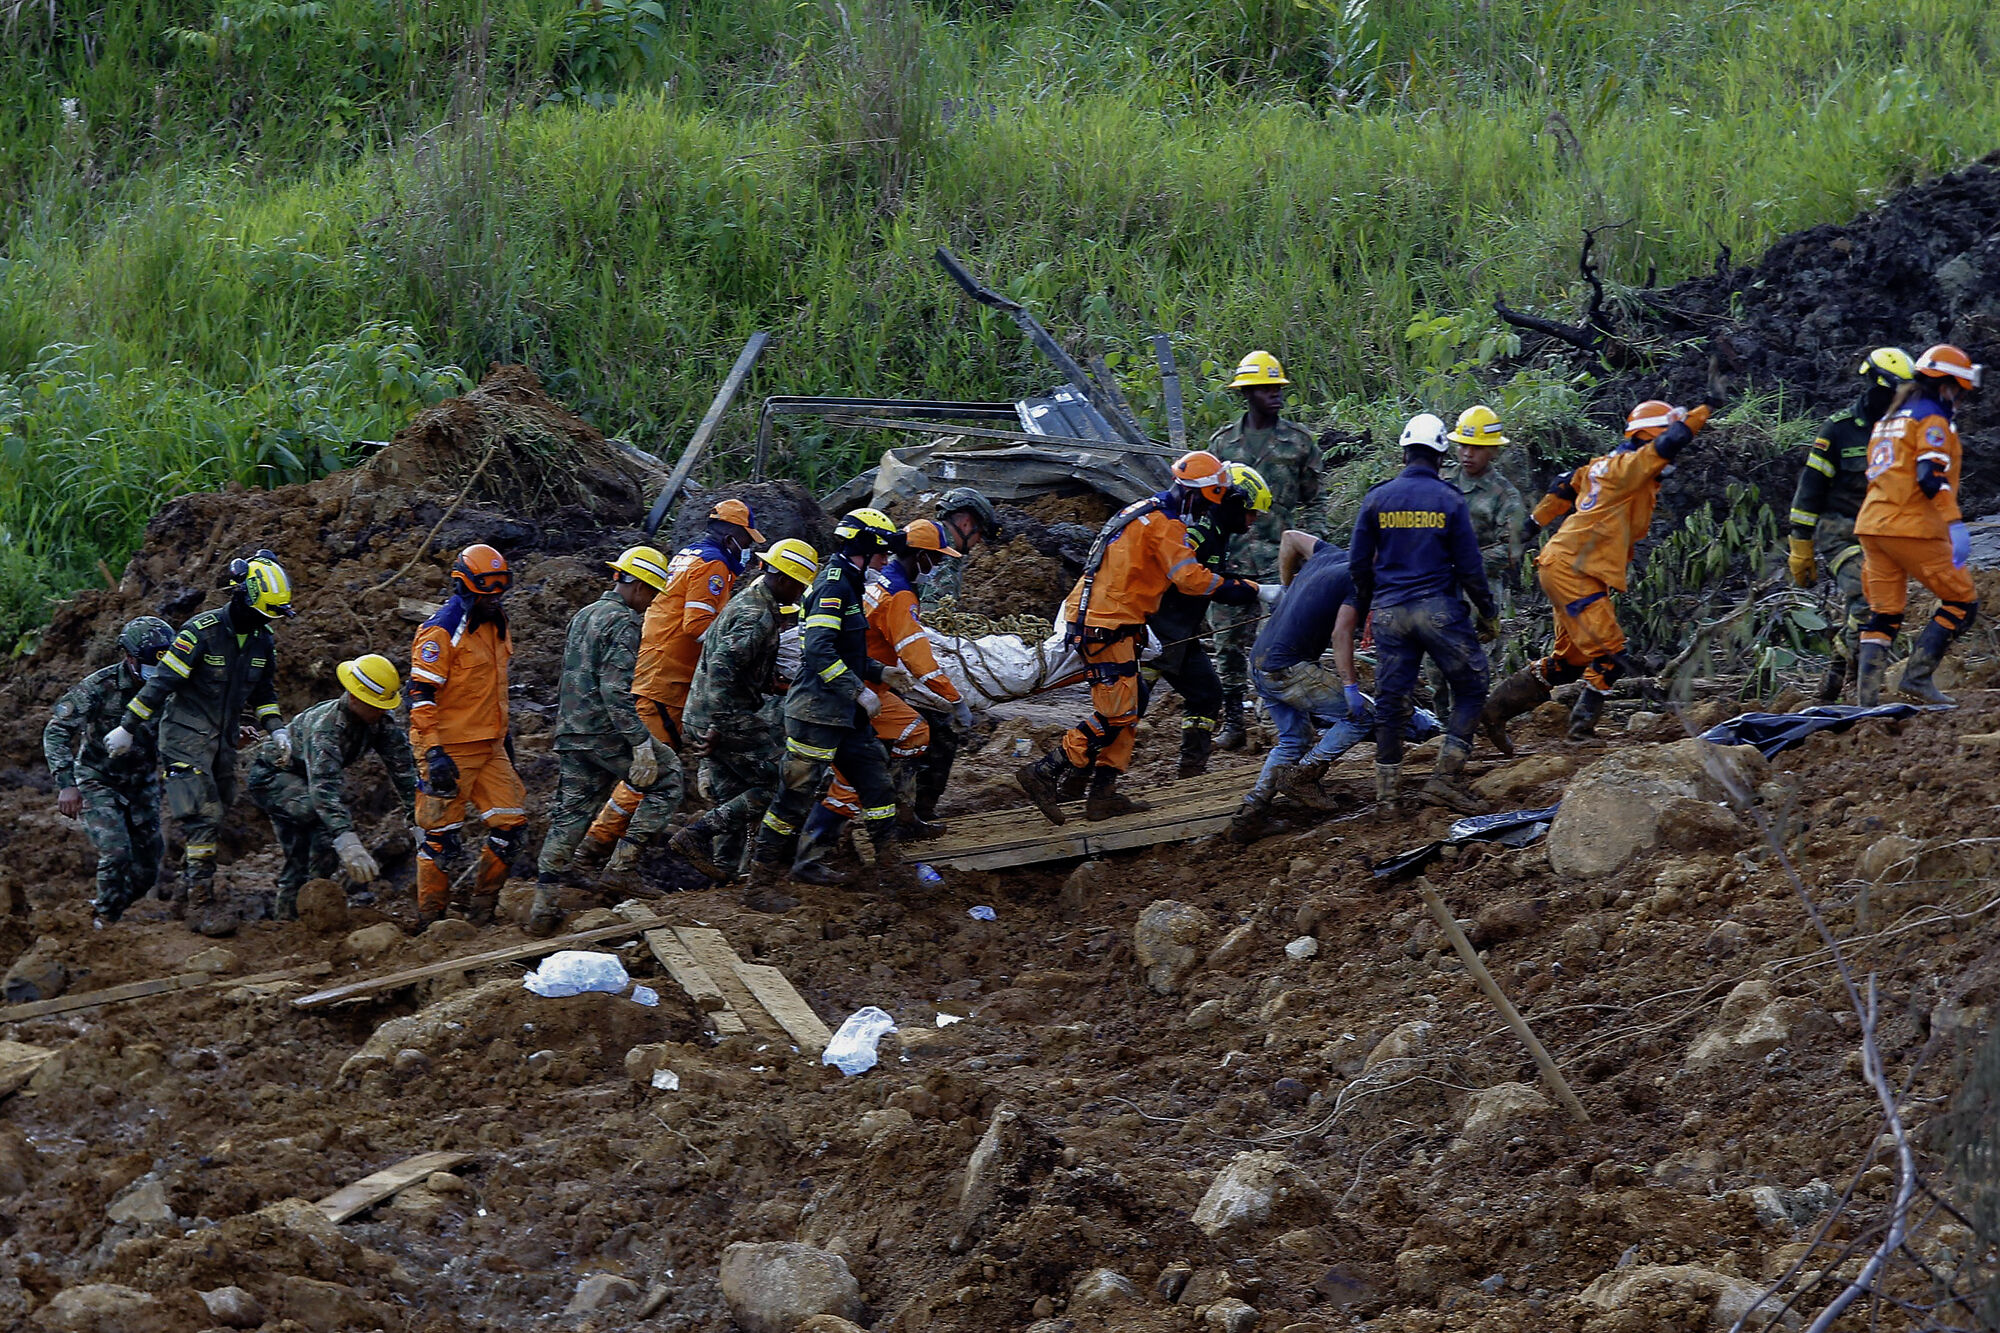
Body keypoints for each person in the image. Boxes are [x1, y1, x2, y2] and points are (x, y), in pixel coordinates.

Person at [1016, 451, 1266, 825]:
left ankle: (1101, 795)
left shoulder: (1143, 509)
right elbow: (1191, 579)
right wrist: (1255, 590)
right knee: (1117, 714)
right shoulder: (1167, 525)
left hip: (1112, 619)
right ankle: (1046, 770)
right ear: (1203, 493)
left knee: (1129, 709)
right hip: (1105, 624)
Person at [1480, 399, 1712, 750]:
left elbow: (1563, 488)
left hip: (1567, 566)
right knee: (1609, 655)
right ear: (1648, 437)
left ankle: (1493, 712)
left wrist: (1529, 528)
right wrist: (1704, 409)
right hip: (1573, 569)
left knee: (1569, 663)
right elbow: (1668, 444)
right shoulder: (1629, 468)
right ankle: (1580, 733)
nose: (1668, 461)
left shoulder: (1602, 467)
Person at [106, 551, 293, 936]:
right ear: (243, 597)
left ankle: (181, 889)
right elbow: (161, 685)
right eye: (264, 612)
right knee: (204, 817)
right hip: (184, 737)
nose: (267, 620)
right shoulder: (201, 632)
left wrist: (276, 728)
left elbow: (265, 694)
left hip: (222, 743)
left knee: (216, 812)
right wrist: (127, 726)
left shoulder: (263, 642)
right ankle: (200, 904)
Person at [745, 509, 910, 912]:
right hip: (817, 714)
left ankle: (891, 872)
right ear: (865, 548)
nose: (887, 561)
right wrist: (859, 691)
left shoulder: (851, 583)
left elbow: (844, 650)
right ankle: (759, 884)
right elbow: (817, 650)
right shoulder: (834, 586)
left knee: (877, 786)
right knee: (793, 799)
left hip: (844, 716)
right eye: (882, 552)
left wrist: (879, 671)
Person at [795, 520, 975, 883]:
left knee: (869, 767)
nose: (938, 567)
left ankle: (890, 814)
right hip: (860, 689)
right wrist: (954, 699)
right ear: (922, 556)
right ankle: (893, 814)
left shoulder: (880, 582)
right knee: (912, 734)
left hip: (859, 682)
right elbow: (916, 654)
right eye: (936, 560)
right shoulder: (899, 594)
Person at [1337, 414, 1497, 812]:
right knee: (1473, 685)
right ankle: (1443, 779)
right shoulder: (1450, 500)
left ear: (1405, 452)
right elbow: (1471, 569)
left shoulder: (1376, 498)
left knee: (1391, 701)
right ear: (1442, 455)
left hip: (1390, 613)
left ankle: (1387, 797)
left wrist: (1372, 603)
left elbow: (1357, 564)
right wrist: (1488, 614)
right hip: (1438, 611)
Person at [1233, 532, 1441, 836]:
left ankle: (1250, 815)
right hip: (1288, 670)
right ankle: (1303, 775)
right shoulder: (1360, 580)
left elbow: (1289, 538)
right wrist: (1350, 687)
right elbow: (1341, 635)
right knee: (1364, 715)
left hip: (1260, 663)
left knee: (1294, 739)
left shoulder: (1329, 553)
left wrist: (1287, 589)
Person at [606, 499, 765, 867]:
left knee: (651, 770)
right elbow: (697, 626)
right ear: (732, 536)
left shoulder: (688, 555)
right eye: (746, 540)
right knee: (648, 773)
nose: (748, 549)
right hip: (667, 678)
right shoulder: (713, 564)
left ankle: (606, 850)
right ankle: (601, 851)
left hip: (660, 668)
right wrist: (741, 648)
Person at [529, 546, 675, 935]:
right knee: (669, 776)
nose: (653, 602)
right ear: (641, 587)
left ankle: (542, 908)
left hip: (572, 731)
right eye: (654, 593)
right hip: (605, 732)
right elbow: (614, 690)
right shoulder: (624, 622)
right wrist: (640, 742)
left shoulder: (585, 614)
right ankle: (621, 869)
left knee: (570, 813)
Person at [671, 539, 820, 886]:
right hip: (723, 715)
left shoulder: (752, 603)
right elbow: (724, 668)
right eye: (799, 586)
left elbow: (737, 666)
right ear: (785, 580)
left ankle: (723, 874)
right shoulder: (757, 617)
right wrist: (722, 724)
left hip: (706, 713)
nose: (798, 595)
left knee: (731, 794)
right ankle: (696, 834)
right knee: (779, 781)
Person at [1207, 350, 1324, 749]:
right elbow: (1209, 499)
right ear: (1247, 393)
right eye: (1265, 389)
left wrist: (1314, 550)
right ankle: (1235, 723)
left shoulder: (1299, 443)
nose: (1275, 395)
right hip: (1232, 558)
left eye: (1277, 388)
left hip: (1282, 561)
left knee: (1286, 643)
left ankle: (1296, 723)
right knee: (1227, 646)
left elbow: (1315, 501)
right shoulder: (1223, 442)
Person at [1854, 344, 1983, 705]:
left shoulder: (1889, 419)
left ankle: (1866, 702)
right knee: (1961, 601)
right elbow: (1930, 477)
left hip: (1872, 525)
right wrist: (1954, 522)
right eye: (1960, 391)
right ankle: (1917, 678)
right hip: (1910, 527)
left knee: (1885, 614)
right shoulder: (1932, 419)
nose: (1960, 400)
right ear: (1946, 385)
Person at [1787, 348, 1917, 700]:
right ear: (1875, 385)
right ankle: (1847, 689)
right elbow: (1810, 490)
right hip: (1841, 530)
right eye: (1896, 390)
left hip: (1886, 531)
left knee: (1881, 607)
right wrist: (1801, 544)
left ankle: (1837, 679)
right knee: (1866, 595)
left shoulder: (1905, 429)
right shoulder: (1839, 430)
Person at [247, 654, 417, 920]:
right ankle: (287, 920)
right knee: (316, 829)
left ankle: (316, 905)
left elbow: (404, 771)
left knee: (322, 840)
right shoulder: (325, 730)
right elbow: (323, 790)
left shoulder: (380, 723)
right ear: (356, 698)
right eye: (376, 705)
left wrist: (418, 816)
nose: (382, 711)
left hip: (308, 779)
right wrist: (347, 840)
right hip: (274, 776)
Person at [409, 543, 527, 927]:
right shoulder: (441, 632)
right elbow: (420, 696)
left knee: (511, 828)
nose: (495, 598)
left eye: (500, 589)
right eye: (486, 590)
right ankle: (432, 922)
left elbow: (493, 686)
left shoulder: (497, 623)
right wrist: (434, 753)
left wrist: (503, 735)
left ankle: (482, 910)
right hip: (449, 747)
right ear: (464, 586)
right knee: (442, 838)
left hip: (490, 745)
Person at [1141, 462, 1271, 778]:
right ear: (1232, 504)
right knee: (1125, 709)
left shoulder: (1218, 534)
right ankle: (1081, 774)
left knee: (1206, 696)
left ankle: (1191, 771)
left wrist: (1248, 588)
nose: (1253, 520)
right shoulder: (1197, 533)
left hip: (1181, 636)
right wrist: (1256, 591)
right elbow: (1187, 577)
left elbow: (1213, 578)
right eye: (1251, 511)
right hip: (1155, 636)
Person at [45, 616, 174, 924]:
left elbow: (198, 718)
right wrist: (66, 783)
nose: (152, 674)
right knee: (116, 851)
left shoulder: (171, 685)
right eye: (146, 665)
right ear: (128, 657)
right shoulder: (100, 687)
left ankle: (107, 910)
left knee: (147, 868)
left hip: (142, 784)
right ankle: (102, 920)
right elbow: (57, 731)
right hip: (97, 779)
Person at [1429, 404, 1530, 722]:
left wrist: (1464, 563)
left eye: (1477, 448)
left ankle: (1470, 723)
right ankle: (1442, 723)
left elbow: (1513, 551)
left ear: (1493, 452)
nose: (1468, 453)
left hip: (1480, 591)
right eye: (1463, 445)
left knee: (1472, 659)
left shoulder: (1505, 496)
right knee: (1434, 660)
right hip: (1436, 586)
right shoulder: (1440, 479)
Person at [912, 486, 999, 822]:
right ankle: (916, 813)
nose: (977, 544)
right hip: (911, 660)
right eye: (978, 535)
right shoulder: (940, 561)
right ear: (965, 522)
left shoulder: (928, 546)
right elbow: (932, 630)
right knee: (940, 736)